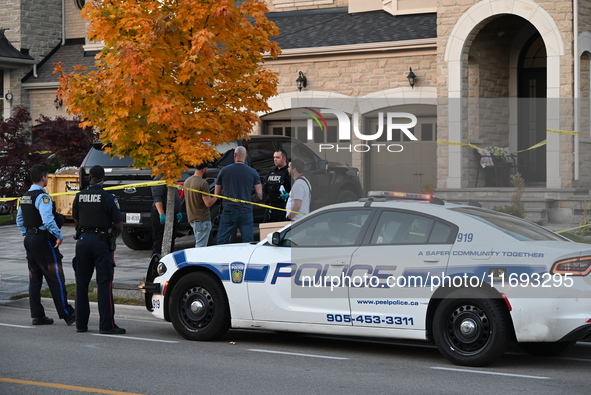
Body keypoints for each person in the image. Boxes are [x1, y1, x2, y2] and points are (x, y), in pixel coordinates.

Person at [16, 164, 75, 326]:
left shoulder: (26, 196)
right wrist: (59, 235)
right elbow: (47, 219)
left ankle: (38, 315)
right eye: (47, 177)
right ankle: (68, 313)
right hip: (43, 240)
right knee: (55, 276)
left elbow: (19, 220)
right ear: (43, 178)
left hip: (29, 239)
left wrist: (27, 233)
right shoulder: (43, 197)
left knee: (35, 279)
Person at [71, 165, 125, 334]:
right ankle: (106, 325)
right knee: (104, 283)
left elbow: (75, 219)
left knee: (81, 284)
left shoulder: (79, 197)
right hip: (101, 242)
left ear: (89, 177)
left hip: (82, 241)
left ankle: (81, 324)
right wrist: (113, 234)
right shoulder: (107, 197)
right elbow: (118, 224)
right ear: (103, 178)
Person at [214, 146, 262, 244]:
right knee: (248, 242)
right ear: (246, 156)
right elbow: (259, 195)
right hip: (246, 210)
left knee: (222, 241)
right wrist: (250, 199)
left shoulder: (224, 171)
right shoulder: (253, 172)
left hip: (228, 210)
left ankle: (221, 258)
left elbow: (217, 193)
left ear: (234, 155)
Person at [184, 163, 217, 247]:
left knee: (199, 242)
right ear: (204, 169)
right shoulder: (203, 183)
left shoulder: (187, 181)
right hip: (202, 218)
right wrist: (216, 196)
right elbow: (208, 203)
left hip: (192, 217)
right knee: (201, 246)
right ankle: (196, 260)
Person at [151, 179, 182, 255]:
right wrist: (161, 214)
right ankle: (156, 262)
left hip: (172, 214)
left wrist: (177, 211)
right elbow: (157, 198)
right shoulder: (159, 180)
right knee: (159, 240)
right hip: (162, 213)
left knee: (171, 238)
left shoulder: (170, 179)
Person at [263, 148, 291, 223]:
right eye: (274, 157)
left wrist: (288, 195)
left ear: (284, 158)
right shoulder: (271, 171)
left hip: (282, 208)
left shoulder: (288, 173)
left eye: (277, 157)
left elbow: (294, 190)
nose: (275, 159)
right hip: (270, 208)